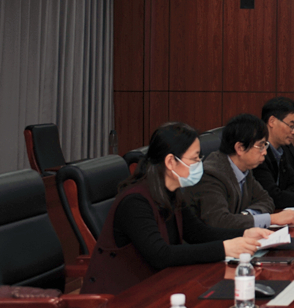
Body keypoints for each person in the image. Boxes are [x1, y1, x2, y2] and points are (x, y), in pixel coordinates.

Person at [81, 123, 270, 295]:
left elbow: (198, 233)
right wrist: (224, 248)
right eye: (195, 158)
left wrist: (244, 233)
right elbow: (160, 255)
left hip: (158, 287)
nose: (200, 164)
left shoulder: (171, 192)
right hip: (119, 298)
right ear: (171, 161)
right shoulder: (135, 202)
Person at [181, 114, 294, 231]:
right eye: (260, 146)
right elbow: (220, 221)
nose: (265, 152)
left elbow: (267, 200)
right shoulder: (211, 175)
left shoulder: (244, 169)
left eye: (265, 146)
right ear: (239, 148)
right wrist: (271, 219)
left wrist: (246, 216)